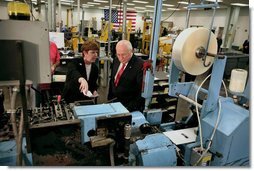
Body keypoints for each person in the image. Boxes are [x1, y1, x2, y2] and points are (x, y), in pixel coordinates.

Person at [108, 40, 145, 112]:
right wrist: (109, 99)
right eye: (118, 54)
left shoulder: (140, 66)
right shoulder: (116, 60)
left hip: (128, 106)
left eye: (124, 54)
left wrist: (128, 108)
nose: (121, 58)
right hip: (114, 102)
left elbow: (141, 92)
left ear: (132, 51)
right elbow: (112, 80)